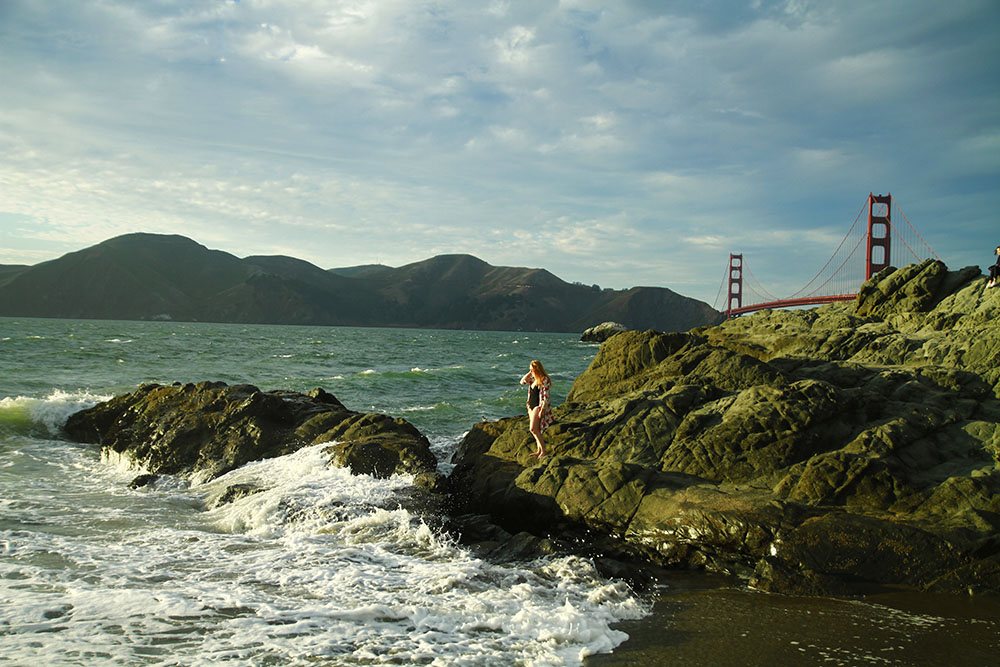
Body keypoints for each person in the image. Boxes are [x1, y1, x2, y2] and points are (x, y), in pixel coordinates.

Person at [519, 359, 553, 458]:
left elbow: (545, 396)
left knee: (533, 429)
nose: (531, 372)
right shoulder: (533, 379)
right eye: (530, 370)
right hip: (530, 406)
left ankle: (543, 450)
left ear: (537, 369)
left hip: (538, 407)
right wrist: (530, 372)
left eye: (532, 370)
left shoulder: (544, 379)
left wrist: (542, 409)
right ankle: (539, 450)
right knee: (537, 429)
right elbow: (522, 381)